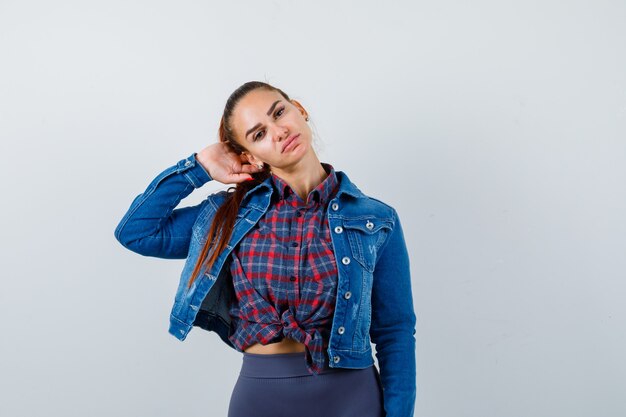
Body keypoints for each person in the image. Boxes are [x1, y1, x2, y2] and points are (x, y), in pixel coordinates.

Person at [114, 81, 417, 417]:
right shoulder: (227, 217)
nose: (278, 131)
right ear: (250, 155)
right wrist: (199, 166)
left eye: (279, 112)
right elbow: (136, 232)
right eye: (258, 134)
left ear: (299, 110)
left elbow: (395, 331)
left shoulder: (376, 219)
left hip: (352, 399)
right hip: (260, 400)